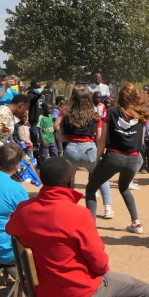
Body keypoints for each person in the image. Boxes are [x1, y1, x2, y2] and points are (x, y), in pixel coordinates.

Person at [5, 156, 149, 297]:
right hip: (75, 292)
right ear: (70, 182)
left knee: (73, 273)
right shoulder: (78, 214)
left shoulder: (24, 210)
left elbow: (11, 229)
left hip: (40, 292)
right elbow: (101, 264)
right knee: (144, 291)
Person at [85, 83, 149, 233]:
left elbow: (102, 140)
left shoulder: (111, 112)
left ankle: (90, 227)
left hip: (114, 156)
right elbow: (141, 140)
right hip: (134, 158)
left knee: (91, 188)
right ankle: (136, 223)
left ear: (120, 96)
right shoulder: (142, 115)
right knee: (124, 188)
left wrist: (97, 160)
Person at [57, 86, 114, 219]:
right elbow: (99, 139)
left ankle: (67, 206)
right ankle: (108, 208)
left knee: (68, 179)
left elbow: (60, 138)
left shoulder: (67, 116)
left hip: (71, 149)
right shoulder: (95, 116)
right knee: (101, 178)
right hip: (89, 149)